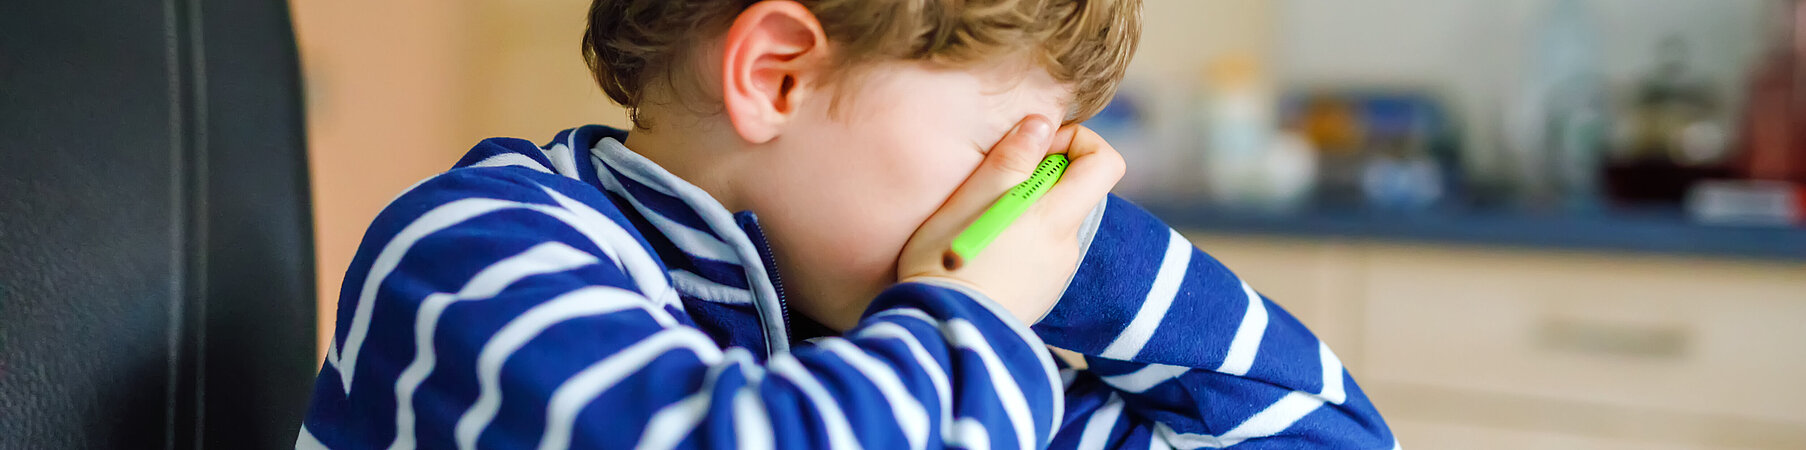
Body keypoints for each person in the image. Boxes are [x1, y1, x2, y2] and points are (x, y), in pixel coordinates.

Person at [297, 1, 1397, 448]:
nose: (1006, 201)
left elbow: (1327, 434)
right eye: (997, 153)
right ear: (777, 76)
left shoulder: (895, 347)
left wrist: (1078, 250)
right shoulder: (470, 256)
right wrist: (974, 303)